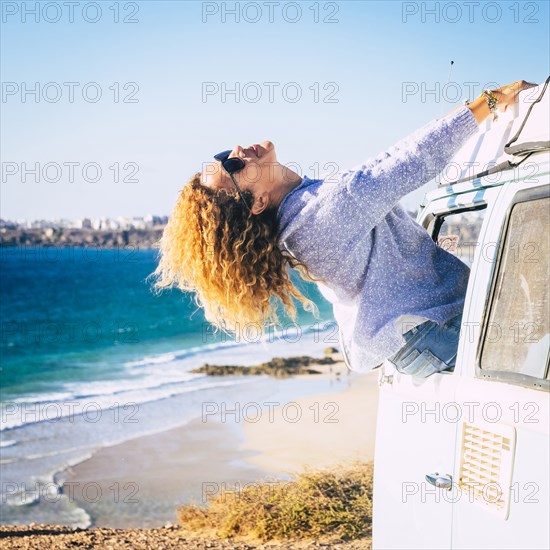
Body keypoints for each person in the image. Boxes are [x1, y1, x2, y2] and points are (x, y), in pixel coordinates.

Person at [152, 80, 536, 377]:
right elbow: (408, 161)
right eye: (233, 169)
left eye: (224, 157)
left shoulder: (299, 221)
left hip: (418, 341)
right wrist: (489, 100)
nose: (236, 152)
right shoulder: (318, 215)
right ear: (255, 203)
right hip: (435, 334)